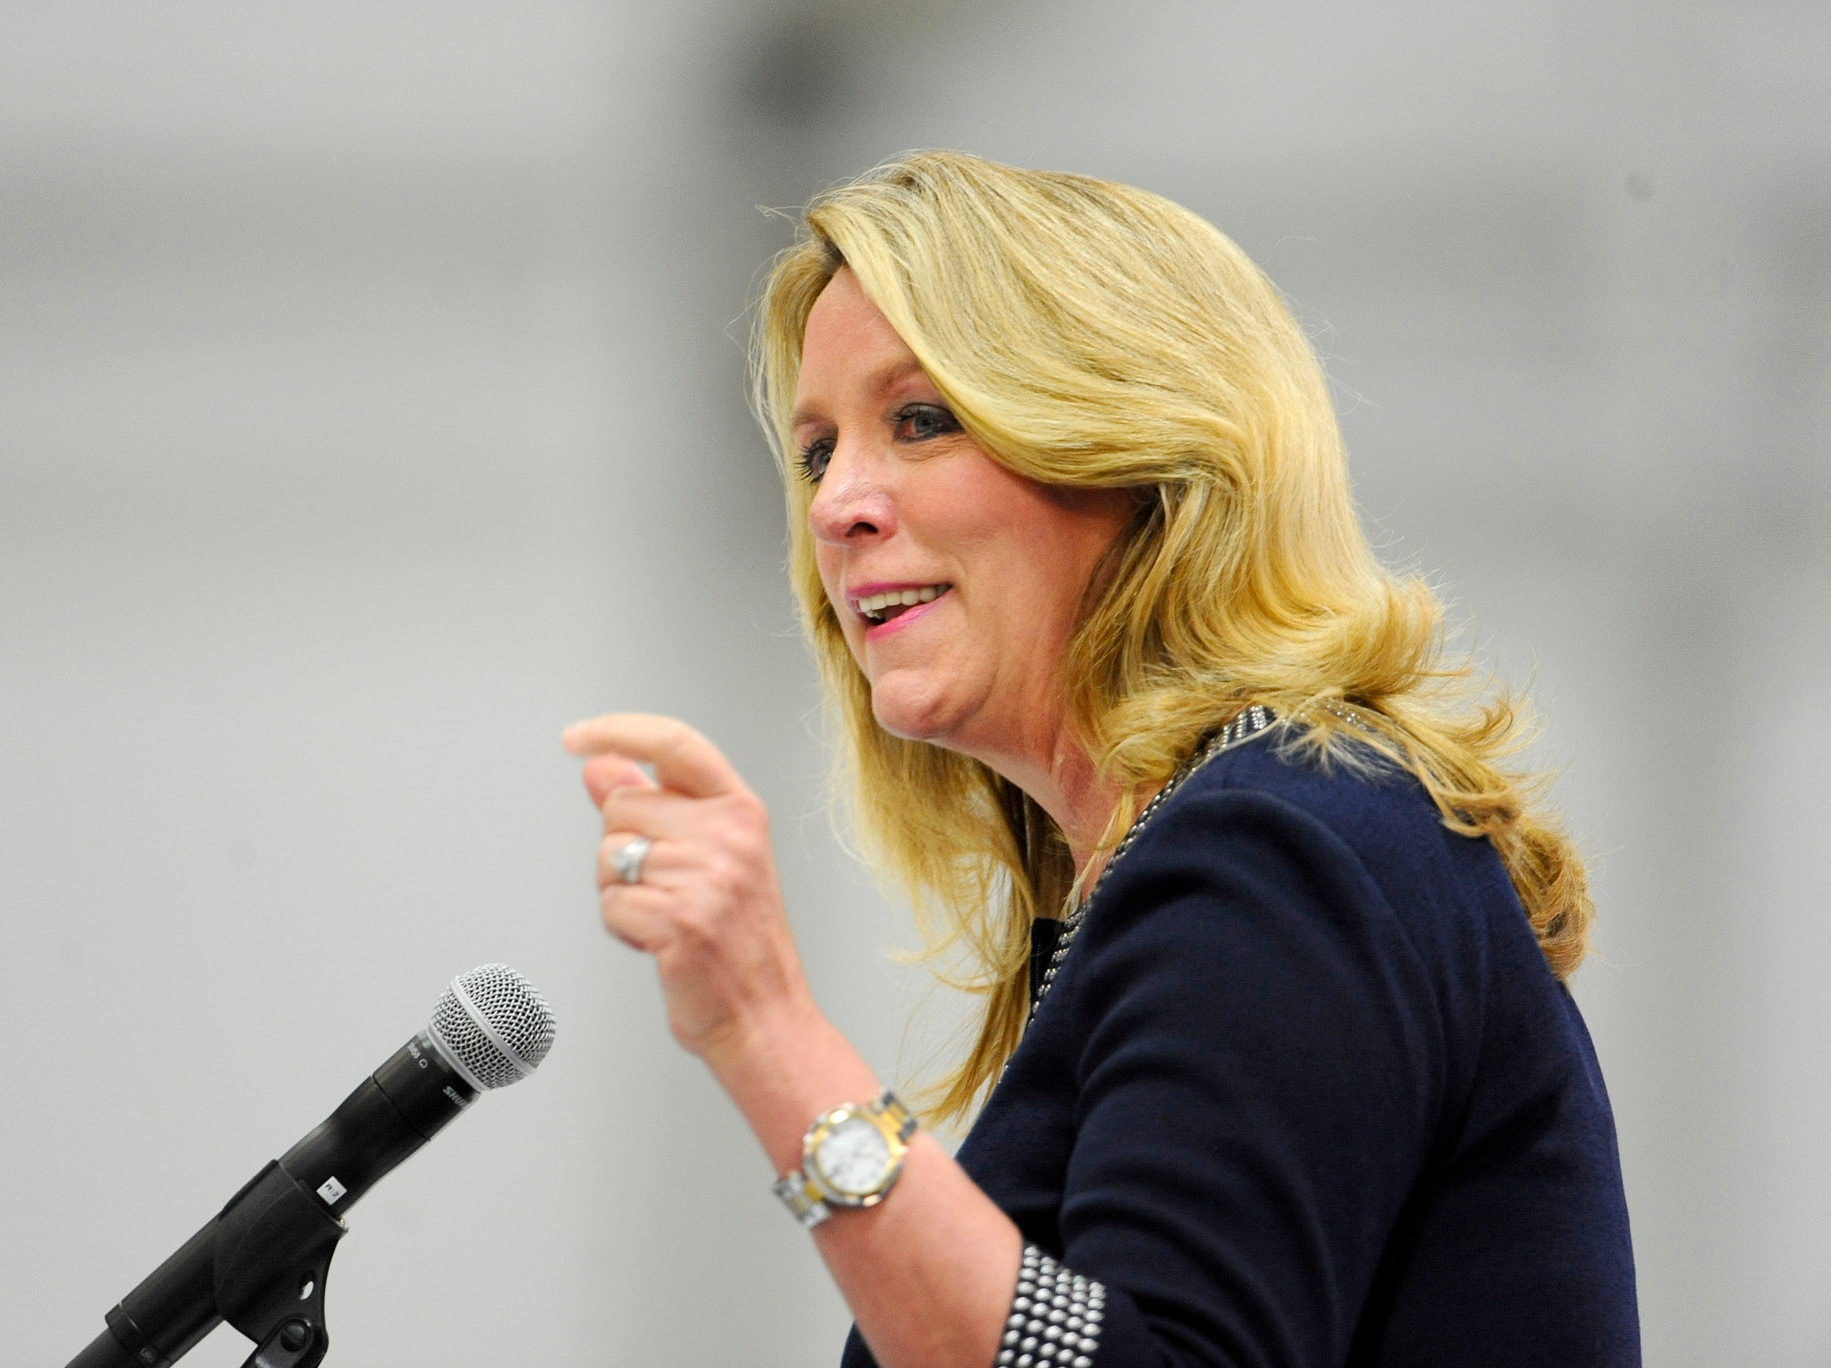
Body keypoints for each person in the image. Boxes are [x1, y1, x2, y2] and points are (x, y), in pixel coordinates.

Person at [563, 151, 1640, 1368]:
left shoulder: (1284, 843)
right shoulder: (1220, 854)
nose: (833, 506)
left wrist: (768, 1034)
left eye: (918, 420)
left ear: (1139, 457)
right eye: (817, 452)